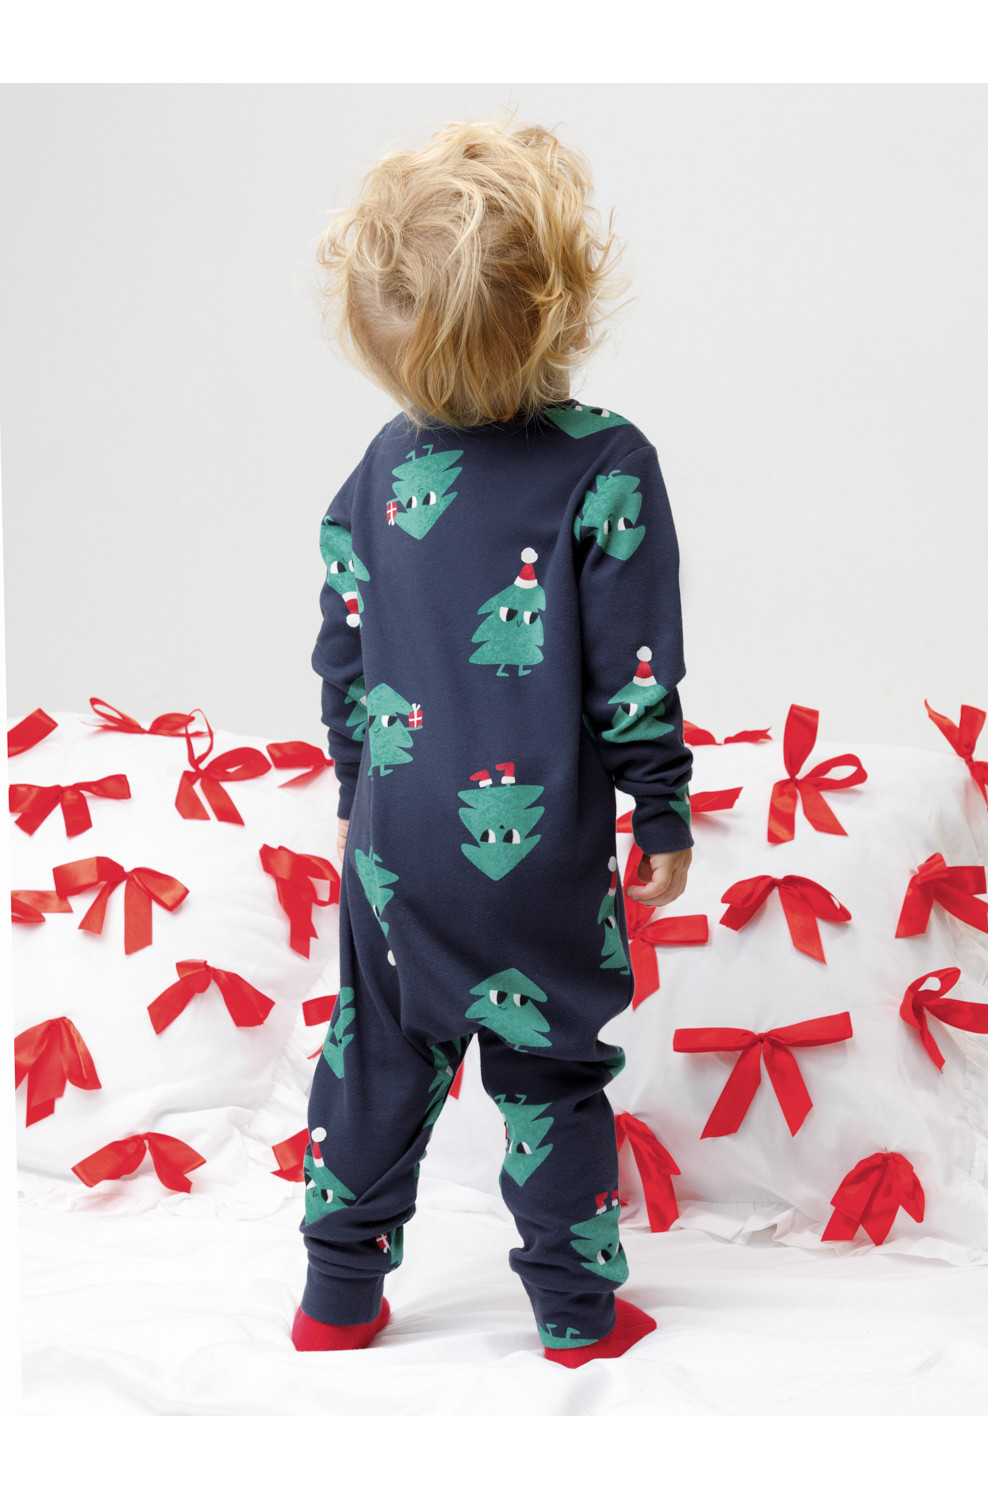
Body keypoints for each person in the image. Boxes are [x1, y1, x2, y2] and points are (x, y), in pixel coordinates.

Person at [291, 113, 694, 1366]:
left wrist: (354, 789)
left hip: (396, 842)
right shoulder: (606, 464)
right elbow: (632, 669)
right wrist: (660, 806)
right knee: (549, 1072)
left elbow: (344, 647)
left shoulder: (380, 468)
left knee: (374, 1053)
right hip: (537, 863)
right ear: (563, 308)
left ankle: (336, 1298)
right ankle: (575, 1311)